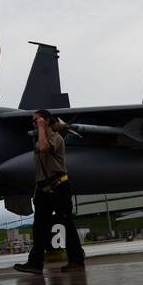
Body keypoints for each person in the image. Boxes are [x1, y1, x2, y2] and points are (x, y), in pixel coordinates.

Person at [14, 110, 86, 275]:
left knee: (66, 223)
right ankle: (35, 264)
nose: (33, 123)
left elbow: (45, 147)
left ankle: (76, 261)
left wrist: (41, 128)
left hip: (58, 187)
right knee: (39, 227)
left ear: (45, 120)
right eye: (33, 121)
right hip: (43, 190)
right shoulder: (40, 140)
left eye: (36, 120)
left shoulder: (56, 138)